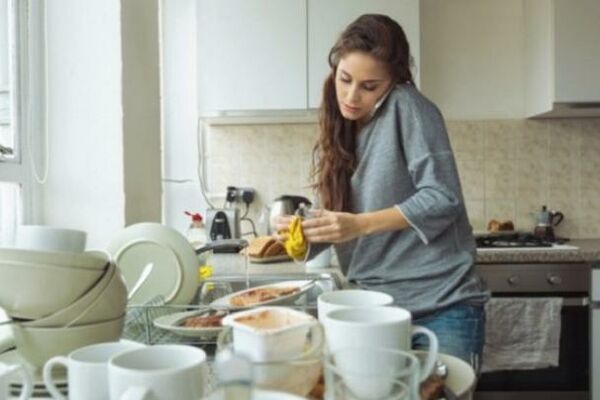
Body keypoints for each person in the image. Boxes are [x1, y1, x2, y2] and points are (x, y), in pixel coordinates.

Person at [276, 14, 489, 366]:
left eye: (369, 86)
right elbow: (340, 221)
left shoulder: (409, 107)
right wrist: (300, 233)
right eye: (344, 80)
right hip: (374, 308)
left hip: (441, 306)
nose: (351, 95)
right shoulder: (340, 128)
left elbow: (442, 196)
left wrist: (359, 224)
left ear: (394, 81)